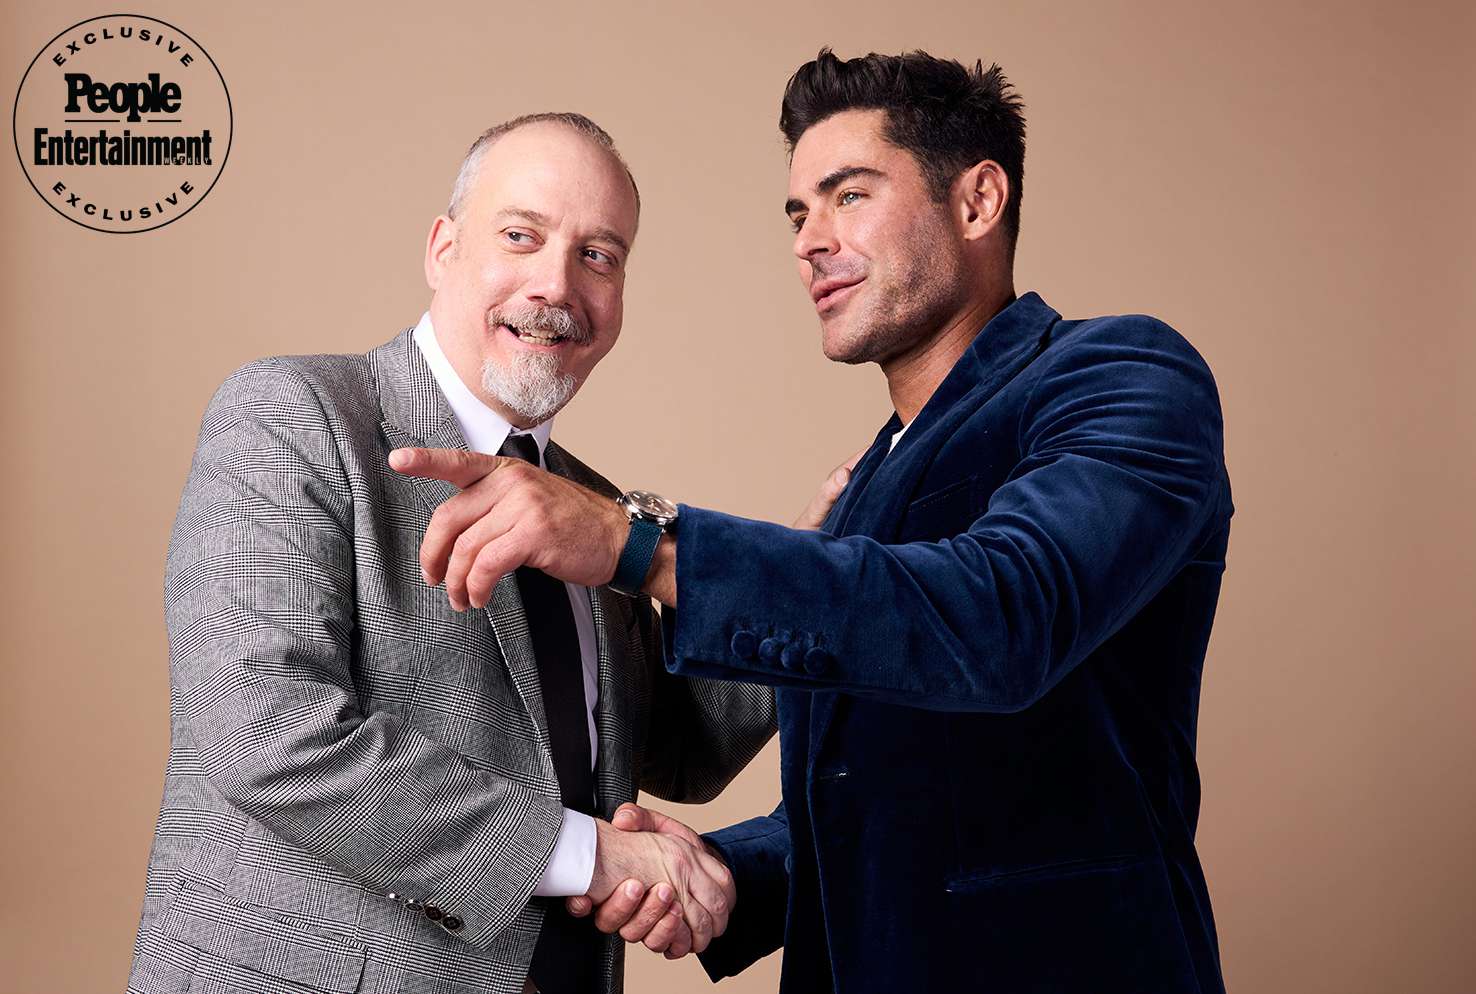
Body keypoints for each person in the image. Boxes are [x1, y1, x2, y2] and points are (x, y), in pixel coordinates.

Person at [393, 49, 1235, 994]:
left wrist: (636, 545)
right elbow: (880, 792)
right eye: (798, 211)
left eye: (848, 196)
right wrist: (716, 879)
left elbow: (1001, 616)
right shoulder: (869, 480)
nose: (807, 239)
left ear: (979, 201)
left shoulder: (1124, 377)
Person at [124, 112, 778, 994]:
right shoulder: (293, 415)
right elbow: (264, 728)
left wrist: (809, 575)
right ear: (442, 249)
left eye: (600, 255)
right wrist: (589, 856)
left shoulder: (594, 512)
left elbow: (685, 749)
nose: (557, 284)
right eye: (522, 236)